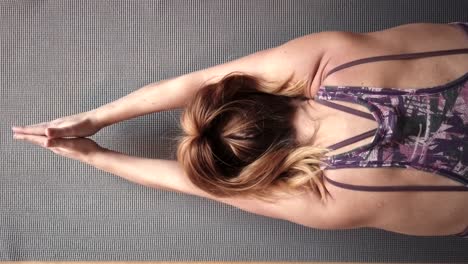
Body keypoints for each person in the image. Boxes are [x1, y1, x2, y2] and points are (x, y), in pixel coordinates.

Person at [11, 22, 468, 238]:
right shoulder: (332, 60)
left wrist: (96, 156)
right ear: (250, 95)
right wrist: (96, 117)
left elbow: (195, 185)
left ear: (253, 171)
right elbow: (193, 84)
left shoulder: (328, 195)